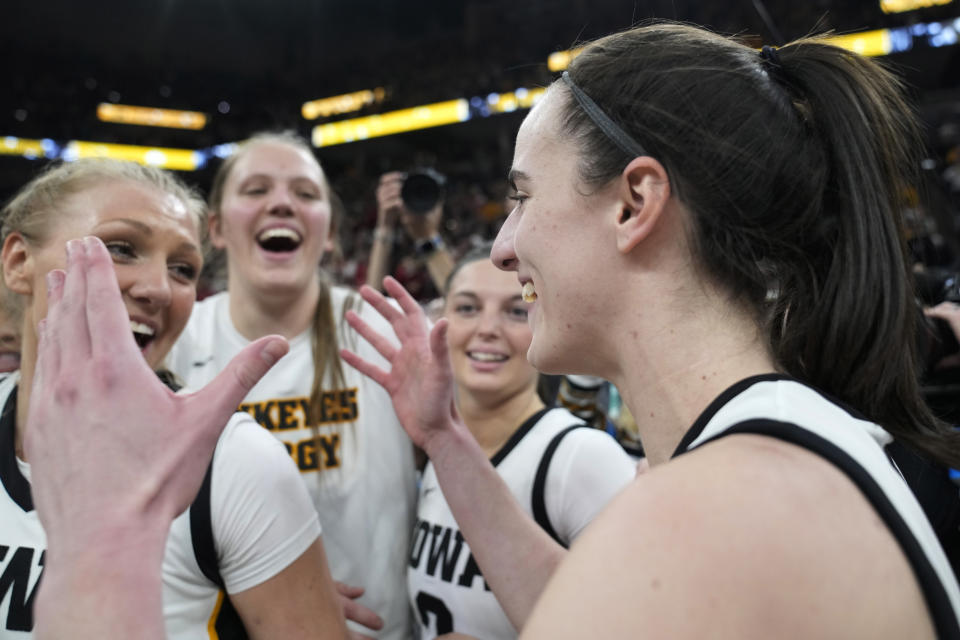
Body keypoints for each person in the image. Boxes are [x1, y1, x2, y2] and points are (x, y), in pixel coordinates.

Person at [341, 23, 960, 638]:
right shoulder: (766, 448)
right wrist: (444, 438)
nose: (503, 248)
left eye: (523, 197)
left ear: (634, 203)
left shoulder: (703, 510)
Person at [0, 159, 350, 639]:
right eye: (121, 248)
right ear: (19, 262)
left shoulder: (237, 462)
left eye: (182, 269)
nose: (159, 289)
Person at [165, 131, 416, 639]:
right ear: (215, 228)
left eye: (304, 193)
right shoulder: (175, 342)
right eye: (256, 190)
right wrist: (282, 585)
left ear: (329, 233)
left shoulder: (387, 330)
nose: (281, 203)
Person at [406, 244, 636, 639]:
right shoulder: (434, 447)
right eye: (466, 308)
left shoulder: (579, 457)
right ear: (439, 323)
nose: (487, 329)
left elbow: (643, 625)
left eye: (516, 310)